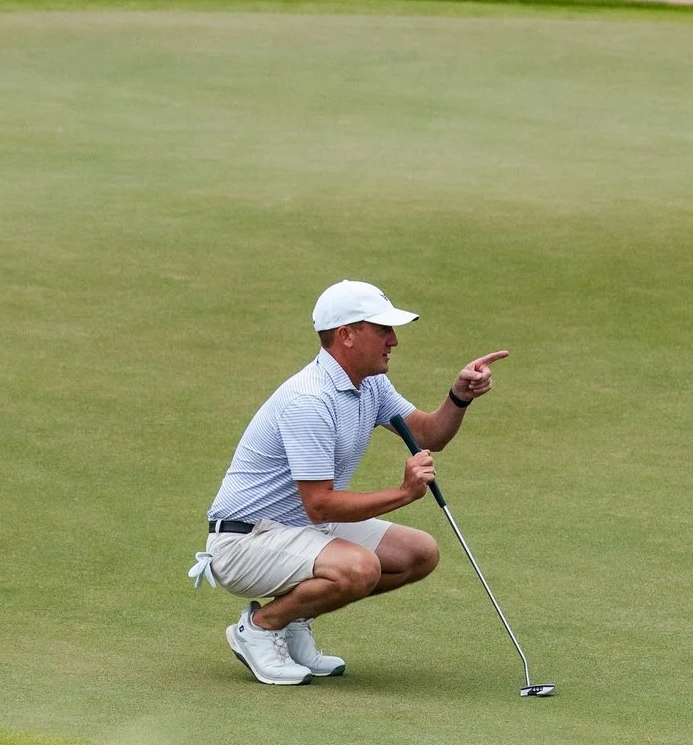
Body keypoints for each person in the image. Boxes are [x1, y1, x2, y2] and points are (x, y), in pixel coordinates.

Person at [192, 279, 509, 686]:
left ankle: (293, 621)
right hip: (244, 543)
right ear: (345, 335)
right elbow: (320, 505)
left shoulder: (370, 383)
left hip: (297, 530)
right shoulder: (310, 399)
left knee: (418, 553)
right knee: (359, 569)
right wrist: (403, 493)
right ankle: (258, 628)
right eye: (382, 330)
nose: (393, 340)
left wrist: (459, 396)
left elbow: (429, 435)